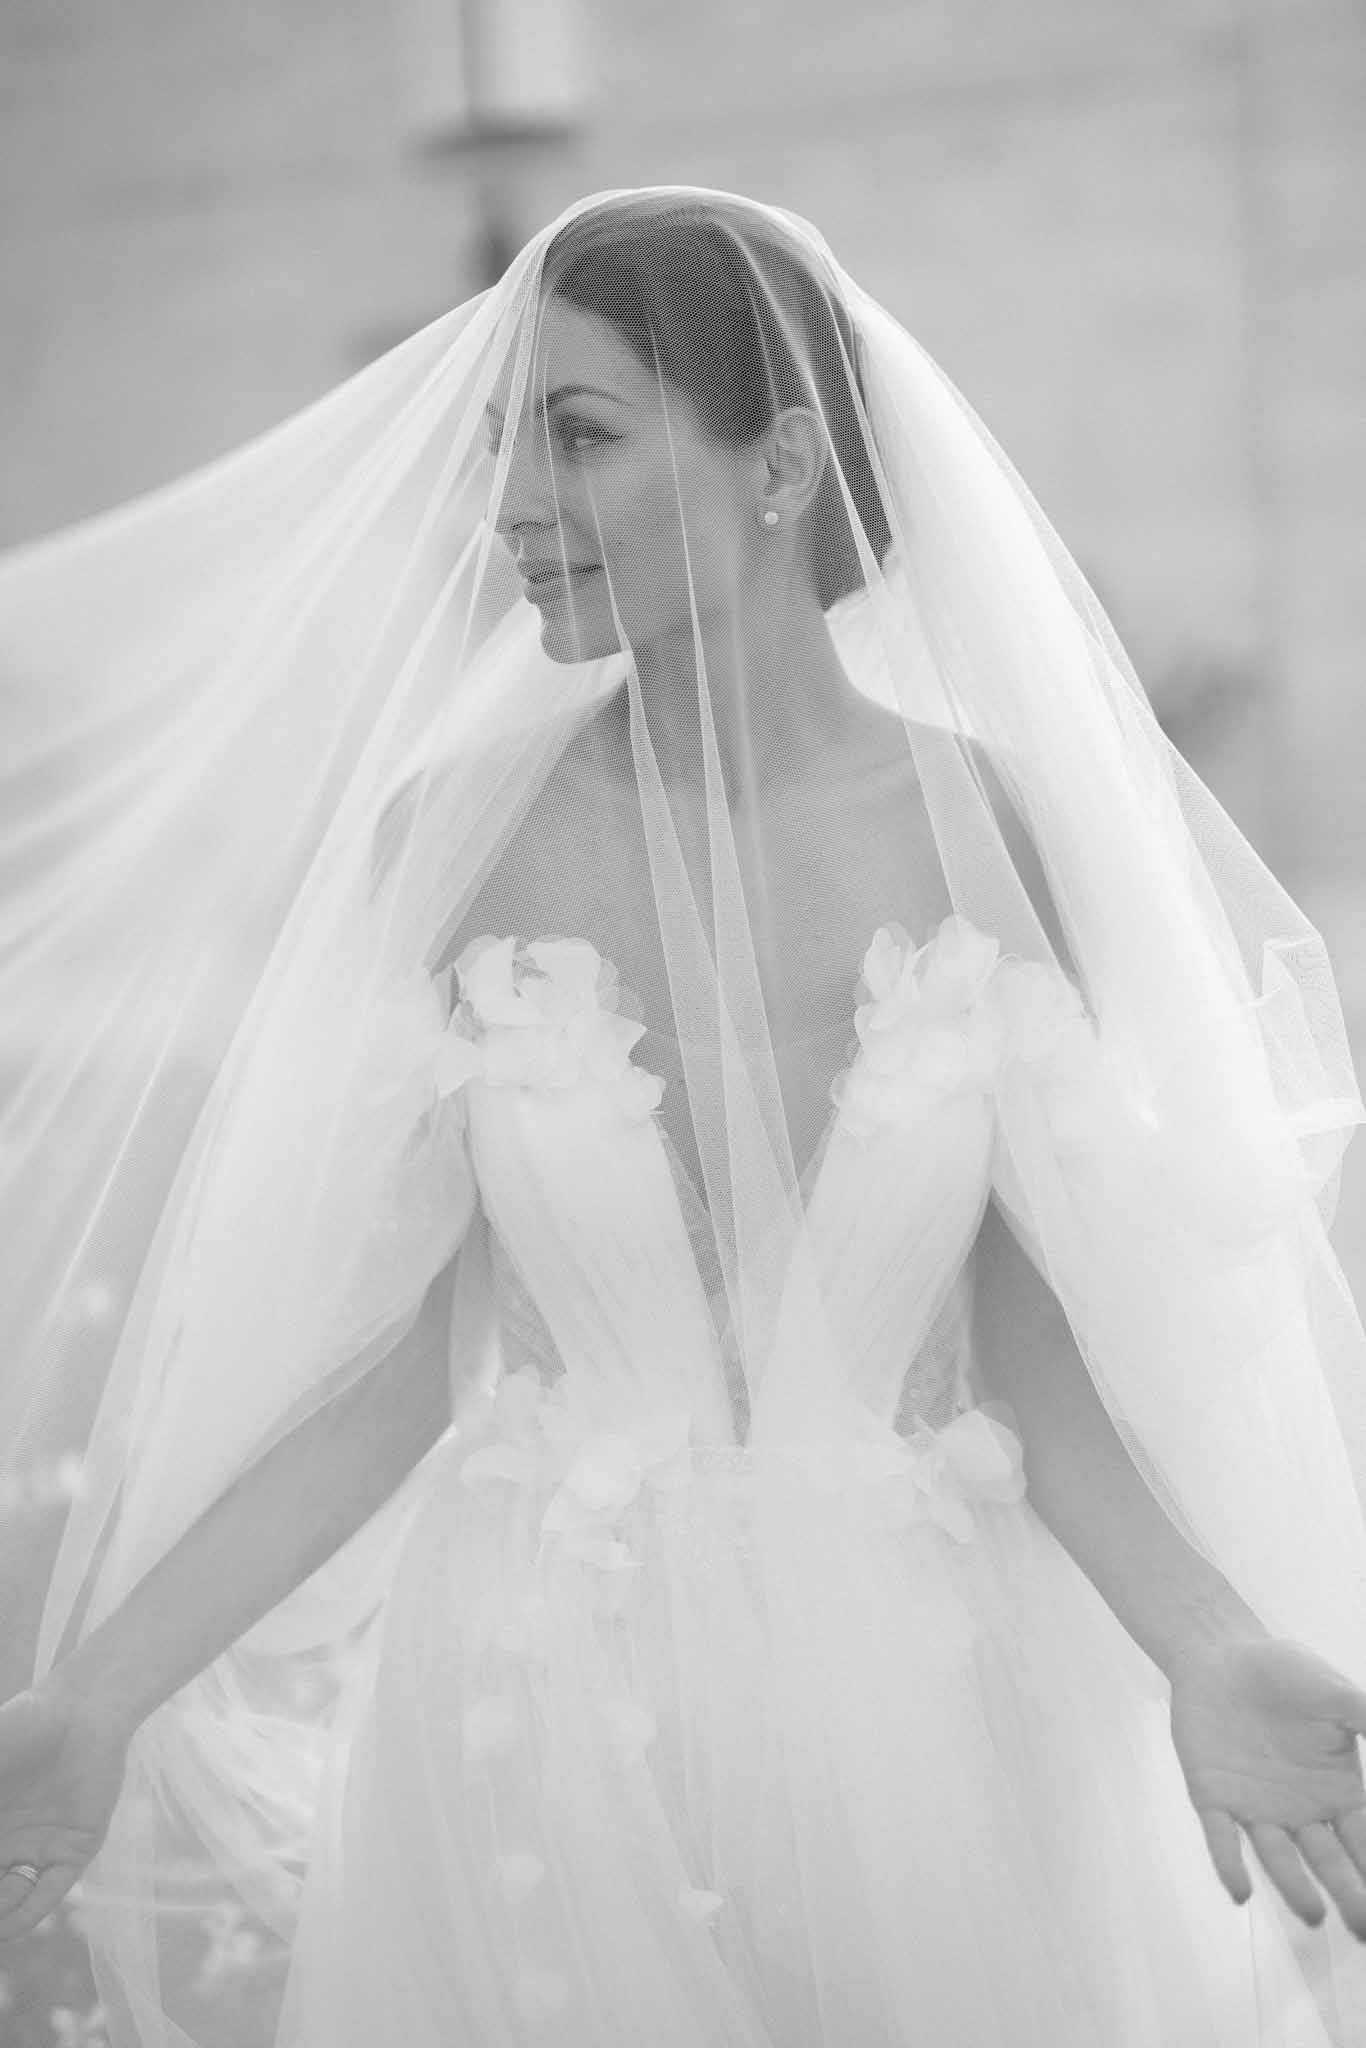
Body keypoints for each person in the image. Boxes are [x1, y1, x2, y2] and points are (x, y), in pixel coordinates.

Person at [3, 185, 1366, 2045]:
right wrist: (95, 1697)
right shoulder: (455, 841)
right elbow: (389, 1367)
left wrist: (1209, 1648)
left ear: (779, 462)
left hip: (939, 1707)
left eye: (579, 435)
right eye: (504, 445)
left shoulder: (990, 835)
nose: (511, 507)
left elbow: (1027, 1343)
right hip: (546, 1713)